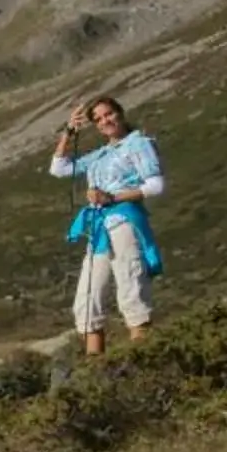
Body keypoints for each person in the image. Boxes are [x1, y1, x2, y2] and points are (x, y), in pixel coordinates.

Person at [52, 94, 165, 354]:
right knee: (88, 299)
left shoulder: (139, 144)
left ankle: (145, 361)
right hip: (101, 229)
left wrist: (112, 197)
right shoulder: (101, 154)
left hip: (125, 221)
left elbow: (155, 185)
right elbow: (59, 169)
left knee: (131, 290)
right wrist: (69, 132)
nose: (105, 121)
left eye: (109, 114)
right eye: (99, 119)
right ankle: (96, 372)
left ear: (120, 113)